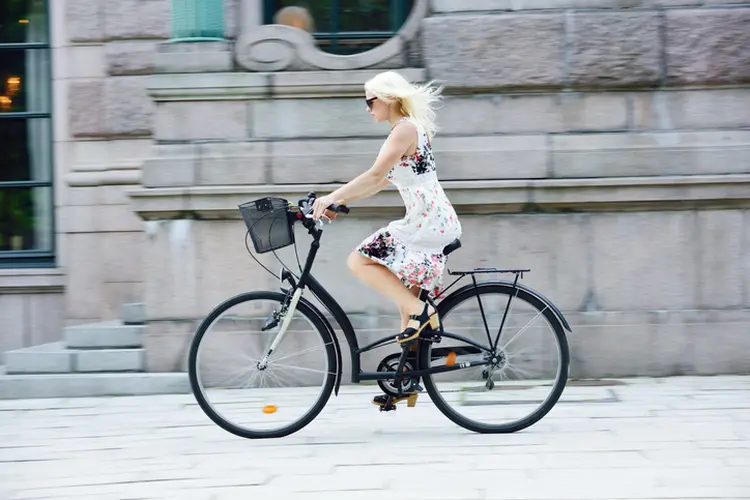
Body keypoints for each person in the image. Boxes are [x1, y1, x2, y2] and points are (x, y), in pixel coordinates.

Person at [311, 71, 462, 404]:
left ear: (389, 98)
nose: (367, 108)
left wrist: (329, 197)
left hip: (427, 221)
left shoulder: (404, 129)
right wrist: (341, 201)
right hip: (430, 218)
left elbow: (376, 175)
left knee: (359, 260)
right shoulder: (407, 130)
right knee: (406, 312)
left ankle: (422, 314)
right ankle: (406, 379)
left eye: (370, 100)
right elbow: (380, 183)